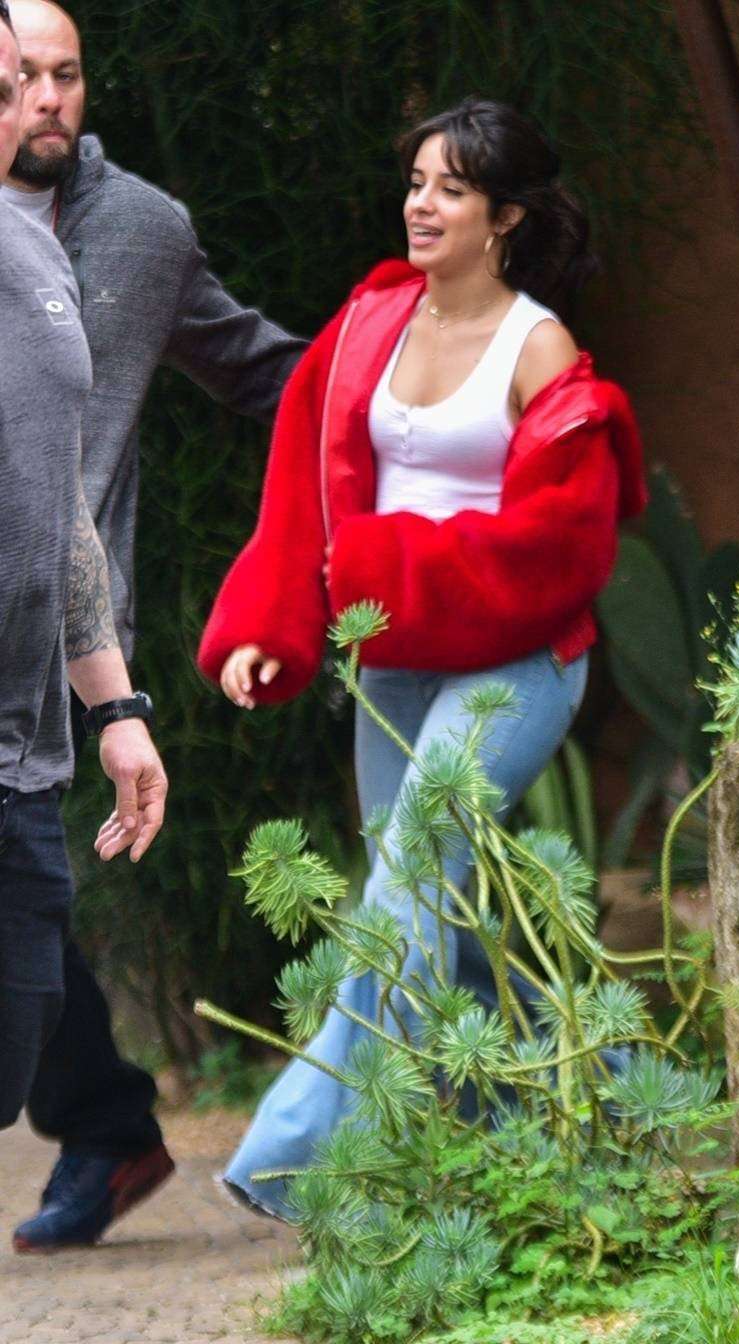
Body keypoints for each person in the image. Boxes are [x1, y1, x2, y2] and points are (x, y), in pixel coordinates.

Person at [199, 97, 647, 1219]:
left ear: (505, 216)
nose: (421, 204)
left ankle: (300, 1151)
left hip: (516, 663)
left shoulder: (539, 347)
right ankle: (588, 1121)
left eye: (451, 188)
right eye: (415, 183)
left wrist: (385, 564)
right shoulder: (372, 320)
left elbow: (565, 543)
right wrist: (267, 623)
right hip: (393, 660)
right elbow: (304, 488)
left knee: (406, 884)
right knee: (439, 919)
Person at [4, 0, 308, 1253]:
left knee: (23, 877)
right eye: (24, 76)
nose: (48, 99)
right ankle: (107, 1119)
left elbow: (260, 367)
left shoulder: (140, 229)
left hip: (66, 628)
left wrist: (425, 390)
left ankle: (102, 1120)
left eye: (67, 74)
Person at [0, 0, 168, 1236]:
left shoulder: (42, 254)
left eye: (28, 78)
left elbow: (59, 508)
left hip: (26, 753)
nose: (27, 101)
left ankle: (108, 1133)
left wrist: (116, 708)